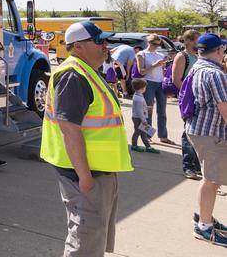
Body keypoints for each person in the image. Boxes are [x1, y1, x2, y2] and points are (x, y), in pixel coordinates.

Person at [41, 22, 132, 256]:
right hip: (84, 174)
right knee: (84, 240)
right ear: (78, 46)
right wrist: (85, 177)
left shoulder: (88, 71)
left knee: (93, 237)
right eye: (99, 41)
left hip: (96, 171)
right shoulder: (74, 75)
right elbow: (69, 129)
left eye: (105, 41)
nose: (105, 46)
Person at [185, 33, 227, 246]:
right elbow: (225, 108)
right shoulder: (216, 74)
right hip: (210, 133)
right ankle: (204, 225)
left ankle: (205, 217)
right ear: (219, 50)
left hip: (199, 129)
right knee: (211, 180)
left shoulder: (197, 67)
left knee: (210, 177)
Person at [136, 34, 176, 145]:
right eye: (155, 44)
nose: (157, 46)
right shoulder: (141, 54)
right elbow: (141, 71)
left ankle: (163, 136)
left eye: (158, 44)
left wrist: (164, 72)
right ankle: (147, 136)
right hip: (148, 83)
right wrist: (155, 65)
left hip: (160, 83)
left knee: (162, 111)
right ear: (149, 43)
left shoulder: (159, 54)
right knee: (148, 111)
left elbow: (162, 70)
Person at [174, 31, 203, 179]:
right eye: (199, 38)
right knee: (188, 133)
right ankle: (188, 167)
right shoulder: (182, 56)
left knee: (196, 133)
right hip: (188, 100)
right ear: (190, 41)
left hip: (197, 99)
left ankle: (197, 166)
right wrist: (188, 96)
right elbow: (176, 80)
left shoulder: (196, 56)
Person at [129, 79, 159, 154]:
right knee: (138, 132)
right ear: (141, 88)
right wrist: (144, 121)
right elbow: (139, 111)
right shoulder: (138, 98)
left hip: (140, 118)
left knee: (144, 133)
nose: (145, 89)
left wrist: (147, 107)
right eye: (145, 87)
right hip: (139, 119)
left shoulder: (138, 95)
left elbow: (140, 107)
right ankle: (134, 145)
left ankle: (148, 146)